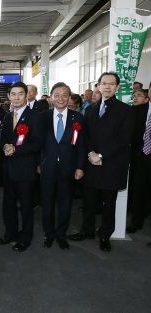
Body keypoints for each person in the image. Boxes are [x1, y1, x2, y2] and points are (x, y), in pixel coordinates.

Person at [68, 72, 132, 252]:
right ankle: (86, 231)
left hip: (111, 165)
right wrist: (90, 153)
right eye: (104, 83)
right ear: (98, 86)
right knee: (88, 201)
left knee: (108, 203)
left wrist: (101, 155)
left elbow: (124, 140)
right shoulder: (90, 109)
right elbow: (85, 136)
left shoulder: (125, 110)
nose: (107, 86)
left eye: (112, 84)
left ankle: (105, 235)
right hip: (91, 163)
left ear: (117, 87)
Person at [0, 81, 42, 252]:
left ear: (27, 95)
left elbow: (38, 144)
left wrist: (16, 149)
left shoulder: (35, 116)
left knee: (25, 206)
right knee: (8, 205)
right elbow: (4, 138)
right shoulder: (8, 116)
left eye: (20, 94)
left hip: (25, 170)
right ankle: (11, 233)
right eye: (13, 94)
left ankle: (25, 237)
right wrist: (5, 147)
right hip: (8, 169)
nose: (16, 97)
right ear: (8, 97)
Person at [39, 82, 85, 250]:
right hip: (47, 167)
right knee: (47, 203)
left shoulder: (77, 118)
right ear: (51, 98)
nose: (60, 98)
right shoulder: (42, 117)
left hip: (69, 168)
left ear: (69, 97)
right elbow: (38, 144)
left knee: (65, 203)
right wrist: (39, 163)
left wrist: (80, 167)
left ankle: (61, 235)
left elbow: (81, 145)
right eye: (56, 95)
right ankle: (49, 234)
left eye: (64, 95)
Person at [126, 89, 150, 234]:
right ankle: (136, 221)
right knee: (138, 189)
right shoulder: (135, 111)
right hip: (140, 155)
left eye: (139, 95)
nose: (135, 98)